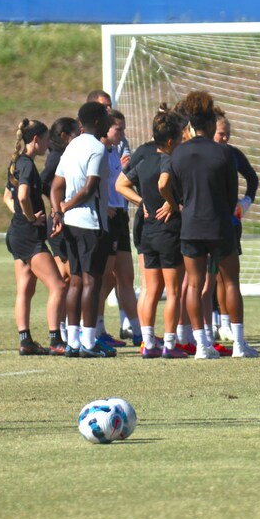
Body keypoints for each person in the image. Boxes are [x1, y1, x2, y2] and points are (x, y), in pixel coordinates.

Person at [171, 91, 258, 358]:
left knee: (194, 285)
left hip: (191, 225)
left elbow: (175, 191)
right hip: (220, 223)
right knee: (230, 282)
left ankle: (201, 346)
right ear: (210, 125)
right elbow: (232, 194)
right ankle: (239, 345)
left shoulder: (177, 153)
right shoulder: (223, 153)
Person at [117, 111, 187, 358]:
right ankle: (169, 345)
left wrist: (142, 202)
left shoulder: (143, 161)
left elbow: (120, 184)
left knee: (151, 289)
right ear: (170, 141)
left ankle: (148, 343)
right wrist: (171, 202)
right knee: (174, 291)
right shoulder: (168, 159)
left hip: (147, 232)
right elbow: (163, 184)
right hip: (169, 231)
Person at [51, 102, 115, 358]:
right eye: (106, 118)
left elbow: (56, 185)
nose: (110, 122)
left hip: (70, 225)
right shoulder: (97, 148)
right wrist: (65, 206)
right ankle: (89, 342)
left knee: (75, 281)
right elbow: (90, 189)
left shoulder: (71, 146)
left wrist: (58, 212)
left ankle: (73, 342)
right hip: (91, 223)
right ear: (98, 122)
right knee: (92, 281)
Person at [4, 119, 67, 356]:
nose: (48, 144)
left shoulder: (15, 163)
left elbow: (6, 198)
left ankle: (25, 340)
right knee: (58, 285)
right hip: (29, 236)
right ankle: (55, 340)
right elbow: (21, 197)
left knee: (25, 289)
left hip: (16, 233)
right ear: (35, 140)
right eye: (45, 139)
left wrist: (21, 216)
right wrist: (30, 218)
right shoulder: (27, 165)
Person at [212, 110, 258, 343]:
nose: (225, 138)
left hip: (229, 223)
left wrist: (245, 202)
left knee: (224, 277)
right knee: (204, 278)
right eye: (221, 134)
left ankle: (225, 322)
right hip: (203, 223)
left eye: (228, 134)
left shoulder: (232, 154)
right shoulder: (202, 155)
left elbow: (253, 178)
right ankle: (207, 323)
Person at [95, 110, 140, 349]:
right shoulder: (98, 150)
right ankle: (97, 328)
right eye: (118, 129)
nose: (122, 134)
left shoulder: (116, 150)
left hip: (120, 216)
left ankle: (137, 330)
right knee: (103, 278)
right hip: (106, 218)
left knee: (126, 277)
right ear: (107, 128)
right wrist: (103, 207)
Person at [39, 117, 80, 351]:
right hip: (59, 225)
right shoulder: (57, 158)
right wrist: (58, 207)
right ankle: (63, 331)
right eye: (75, 134)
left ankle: (65, 330)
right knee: (68, 279)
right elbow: (45, 182)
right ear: (65, 136)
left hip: (60, 222)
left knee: (67, 280)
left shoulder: (62, 156)